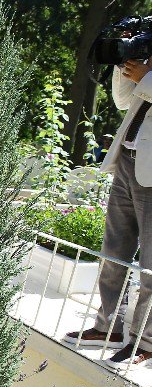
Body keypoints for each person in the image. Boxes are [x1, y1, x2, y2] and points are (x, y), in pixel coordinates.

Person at [64, 57, 152, 368]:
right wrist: (123, 64)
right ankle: (108, 328)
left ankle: (147, 341)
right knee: (113, 251)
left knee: (151, 266)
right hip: (128, 162)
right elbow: (124, 100)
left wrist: (146, 76)